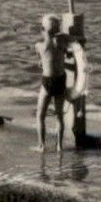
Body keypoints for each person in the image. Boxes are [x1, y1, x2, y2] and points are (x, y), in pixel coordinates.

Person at [35, 15, 68, 152]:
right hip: (60, 79)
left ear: (42, 29)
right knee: (59, 115)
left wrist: (42, 62)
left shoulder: (39, 46)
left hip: (48, 81)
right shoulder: (62, 43)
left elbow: (43, 59)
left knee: (40, 114)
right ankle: (59, 145)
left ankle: (42, 146)